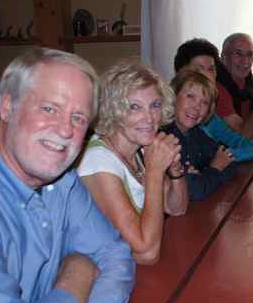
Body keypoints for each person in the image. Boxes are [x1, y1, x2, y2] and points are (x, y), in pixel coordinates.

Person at [0, 48, 135, 303]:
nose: (65, 130)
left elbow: (116, 256)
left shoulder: (59, 177)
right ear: (7, 107)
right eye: (49, 109)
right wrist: (78, 273)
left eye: (78, 118)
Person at [77, 61, 188, 265]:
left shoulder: (140, 147)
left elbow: (177, 208)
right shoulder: (98, 161)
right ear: (114, 110)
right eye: (134, 107)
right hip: (98, 273)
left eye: (155, 105)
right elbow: (148, 252)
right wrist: (154, 172)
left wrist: (175, 172)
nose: (150, 118)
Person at [173, 38, 253, 161]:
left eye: (211, 69)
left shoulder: (208, 113)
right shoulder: (176, 114)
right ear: (181, 74)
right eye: (198, 70)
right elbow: (209, 158)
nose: (207, 75)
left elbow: (233, 140)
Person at [163, 69, 237, 200]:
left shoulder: (195, 132)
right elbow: (195, 190)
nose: (197, 107)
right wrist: (215, 168)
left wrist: (202, 176)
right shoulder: (165, 137)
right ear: (173, 97)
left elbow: (229, 161)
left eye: (204, 102)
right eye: (190, 96)